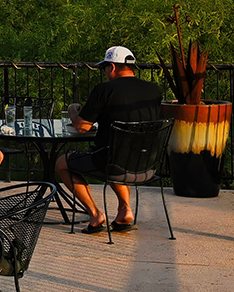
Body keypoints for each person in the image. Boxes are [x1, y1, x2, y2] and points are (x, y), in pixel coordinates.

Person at [58, 46, 164, 234]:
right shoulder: (153, 89)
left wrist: (73, 110)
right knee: (118, 153)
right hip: (146, 165)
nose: (105, 72)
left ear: (112, 67)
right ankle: (125, 210)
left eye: (105, 68)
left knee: (61, 164)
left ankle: (95, 214)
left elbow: (83, 127)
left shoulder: (104, 89)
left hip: (113, 163)